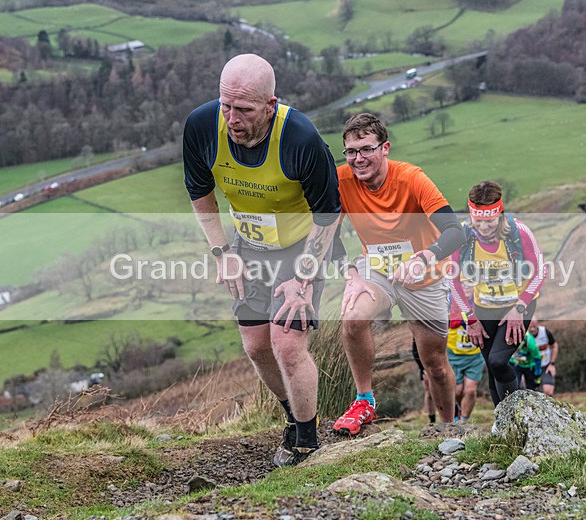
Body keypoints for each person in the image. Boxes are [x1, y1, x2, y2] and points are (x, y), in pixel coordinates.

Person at [183, 54, 341, 466]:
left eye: (244, 110)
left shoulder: (301, 138)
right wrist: (223, 253)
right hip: (249, 246)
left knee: (286, 343)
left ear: (271, 105)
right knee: (256, 346)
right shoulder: (202, 126)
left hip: (302, 245)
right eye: (226, 106)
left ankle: (307, 442)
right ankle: (292, 416)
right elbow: (200, 193)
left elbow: (328, 215)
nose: (232, 119)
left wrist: (303, 279)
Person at [332, 112, 466, 436]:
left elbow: (455, 231)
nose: (358, 159)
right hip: (377, 270)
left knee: (434, 364)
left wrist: (425, 257)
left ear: (385, 148)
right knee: (353, 318)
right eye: (351, 151)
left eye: (366, 149)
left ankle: (449, 428)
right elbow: (327, 235)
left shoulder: (412, 179)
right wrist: (352, 275)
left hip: (424, 276)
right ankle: (364, 401)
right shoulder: (340, 180)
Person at [449, 180, 546, 408]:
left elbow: (540, 271)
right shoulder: (462, 236)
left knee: (498, 361)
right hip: (484, 308)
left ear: (500, 215)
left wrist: (519, 307)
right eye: (478, 221)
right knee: (493, 368)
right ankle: (502, 422)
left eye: (490, 221)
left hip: (519, 306)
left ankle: (518, 414)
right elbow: (452, 279)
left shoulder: (519, 232)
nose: (484, 227)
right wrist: (470, 317)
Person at [447, 312, 485, 423]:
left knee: (471, 390)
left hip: (475, 356)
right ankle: (457, 409)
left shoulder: (478, 307)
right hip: (454, 355)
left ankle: (463, 421)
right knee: (457, 391)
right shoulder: (452, 307)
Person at [529, 319, 558, 396]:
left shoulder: (545, 332)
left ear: (538, 324)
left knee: (549, 392)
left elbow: (554, 346)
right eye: (530, 327)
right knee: (529, 392)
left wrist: (552, 364)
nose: (532, 329)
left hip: (545, 366)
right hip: (530, 367)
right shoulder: (524, 335)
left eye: (534, 326)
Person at [411, 338, 436, 424]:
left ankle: (454, 416)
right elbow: (415, 352)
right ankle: (432, 420)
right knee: (429, 391)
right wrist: (423, 369)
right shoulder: (418, 335)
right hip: (425, 367)